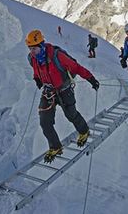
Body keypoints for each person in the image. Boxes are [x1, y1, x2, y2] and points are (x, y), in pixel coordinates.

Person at [26, 29, 100, 163]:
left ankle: (84, 131)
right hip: (48, 91)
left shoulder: (57, 56)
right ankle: (55, 147)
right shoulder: (33, 58)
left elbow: (76, 68)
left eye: (34, 49)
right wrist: (37, 78)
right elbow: (37, 71)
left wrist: (91, 79)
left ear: (42, 46)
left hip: (64, 89)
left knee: (71, 114)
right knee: (45, 121)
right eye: (30, 48)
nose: (32, 52)